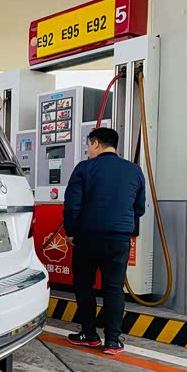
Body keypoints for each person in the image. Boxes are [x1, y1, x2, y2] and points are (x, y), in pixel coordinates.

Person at [63, 127, 145, 355]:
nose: (88, 150)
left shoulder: (84, 168)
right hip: (119, 239)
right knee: (114, 288)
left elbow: (72, 206)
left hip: (87, 238)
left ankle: (89, 335)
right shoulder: (134, 170)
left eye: (89, 145)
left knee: (84, 285)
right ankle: (113, 341)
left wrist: (71, 232)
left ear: (96, 143)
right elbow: (139, 208)